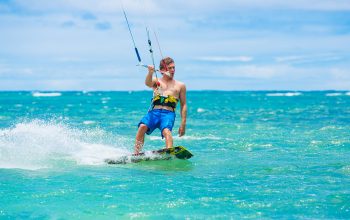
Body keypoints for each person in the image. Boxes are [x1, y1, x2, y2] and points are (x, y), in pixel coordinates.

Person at [133, 57, 187, 155]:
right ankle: (136, 153)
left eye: (174, 68)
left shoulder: (180, 85)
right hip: (154, 112)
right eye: (170, 68)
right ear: (162, 70)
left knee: (167, 131)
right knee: (142, 126)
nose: (173, 70)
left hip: (168, 114)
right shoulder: (156, 81)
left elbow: (183, 105)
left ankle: (169, 153)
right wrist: (150, 72)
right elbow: (148, 83)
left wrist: (183, 124)